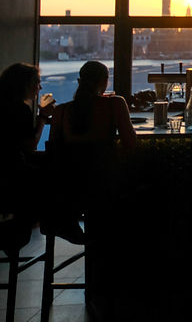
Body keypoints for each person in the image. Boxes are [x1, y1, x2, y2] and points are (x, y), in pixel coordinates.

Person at [47, 61, 136, 242]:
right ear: (105, 81)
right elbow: (130, 142)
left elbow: (54, 149)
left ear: (79, 81)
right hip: (106, 185)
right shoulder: (115, 104)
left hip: (70, 189)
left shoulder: (61, 111)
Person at [0, 63, 54, 235]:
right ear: (24, 85)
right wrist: (43, 117)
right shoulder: (20, 109)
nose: (40, 87)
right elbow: (30, 146)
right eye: (37, 82)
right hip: (12, 173)